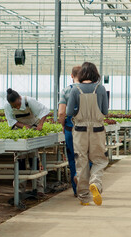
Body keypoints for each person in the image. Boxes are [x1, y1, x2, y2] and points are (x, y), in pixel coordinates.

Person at [66, 62, 109, 206]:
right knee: (99, 159)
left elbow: (69, 112)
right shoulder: (100, 89)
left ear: (82, 74)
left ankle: (84, 197)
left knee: (82, 161)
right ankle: (95, 182)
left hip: (80, 130)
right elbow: (105, 111)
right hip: (97, 129)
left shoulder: (75, 90)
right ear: (95, 73)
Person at [4, 88, 49, 197]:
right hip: (19, 134)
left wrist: (40, 125)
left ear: (20, 98)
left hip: (32, 132)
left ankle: (39, 188)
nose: (17, 107)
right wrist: (24, 127)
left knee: (35, 159)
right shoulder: (8, 106)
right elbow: (11, 121)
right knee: (20, 161)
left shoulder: (29, 101)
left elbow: (45, 111)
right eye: (15, 106)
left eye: (18, 105)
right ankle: (19, 191)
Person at [58, 66, 82, 197]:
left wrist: (63, 125)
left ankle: (76, 189)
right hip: (85, 127)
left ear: (71, 76)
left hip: (70, 127)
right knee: (86, 156)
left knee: (73, 158)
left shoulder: (66, 91)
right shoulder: (90, 90)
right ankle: (85, 184)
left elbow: (62, 112)